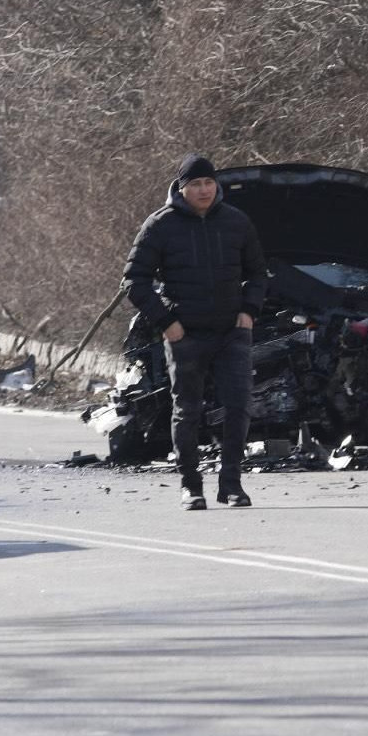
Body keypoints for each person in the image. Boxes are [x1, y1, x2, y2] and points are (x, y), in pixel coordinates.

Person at [123, 153, 268, 510]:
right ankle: (191, 486)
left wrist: (249, 311)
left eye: (208, 182)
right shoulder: (160, 226)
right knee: (187, 410)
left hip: (231, 332)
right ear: (182, 187)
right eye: (195, 184)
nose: (203, 190)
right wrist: (167, 323)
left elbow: (259, 273)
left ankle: (231, 484)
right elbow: (134, 281)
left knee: (239, 406)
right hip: (184, 335)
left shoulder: (236, 222)